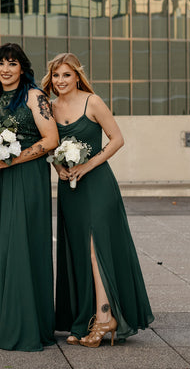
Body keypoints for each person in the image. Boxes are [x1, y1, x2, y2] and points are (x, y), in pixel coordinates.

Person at [43, 53, 154, 347]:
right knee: (78, 250)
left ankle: (106, 317)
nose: (60, 81)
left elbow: (117, 139)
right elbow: (50, 146)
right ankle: (82, 320)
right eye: (56, 76)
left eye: (66, 75)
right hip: (70, 188)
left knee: (96, 249)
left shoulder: (92, 102)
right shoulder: (50, 107)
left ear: (77, 76)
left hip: (98, 184)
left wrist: (87, 165)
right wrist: (60, 168)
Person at [0, 43, 59, 352]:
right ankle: (5, 320)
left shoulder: (34, 96)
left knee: (22, 246)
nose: (6, 69)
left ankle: (28, 326)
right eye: (1, 63)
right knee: (2, 249)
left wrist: (13, 160)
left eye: (12, 64)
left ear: (22, 68)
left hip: (27, 178)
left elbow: (51, 139)